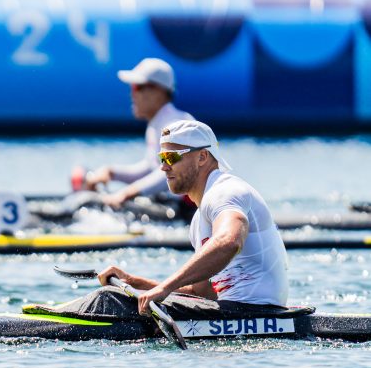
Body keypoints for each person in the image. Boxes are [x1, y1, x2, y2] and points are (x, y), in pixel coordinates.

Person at [98, 120, 288, 313]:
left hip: (255, 310)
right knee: (120, 298)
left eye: (171, 157)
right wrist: (134, 282)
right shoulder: (199, 219)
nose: (164, 167)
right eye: (162, 158)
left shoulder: (226, 191)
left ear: (202, 157)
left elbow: (230, 241)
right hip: (234, 309)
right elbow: (202, 293)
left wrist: (164, 288)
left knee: (110, 302)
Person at [81, 58, 194, 209]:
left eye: (137, 87)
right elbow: (151, 167)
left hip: (189, 210)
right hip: (171, 204)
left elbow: (170, 170)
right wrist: (112, 172)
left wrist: (125, 194)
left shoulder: (173, 126)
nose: (132, 94)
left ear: (159, 91)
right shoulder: (157, 124)